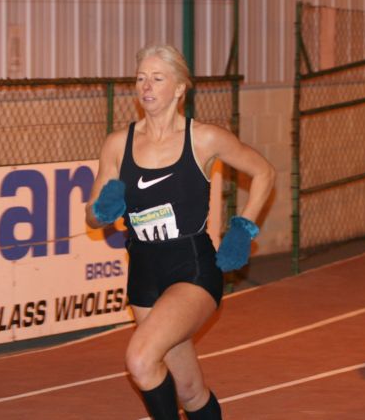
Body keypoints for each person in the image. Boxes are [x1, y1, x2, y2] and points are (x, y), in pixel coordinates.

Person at [86, 44, 275, 419]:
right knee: (189, 389)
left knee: (140, 359)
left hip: (191, 268)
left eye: (157, 78)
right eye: (140, 78)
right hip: (143, 273)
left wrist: (243, 226)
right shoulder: (117, 145)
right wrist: (101, 210)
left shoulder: (203, 138)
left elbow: (264, 172)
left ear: (179, 88)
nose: (146, 86)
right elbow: (92, 218)